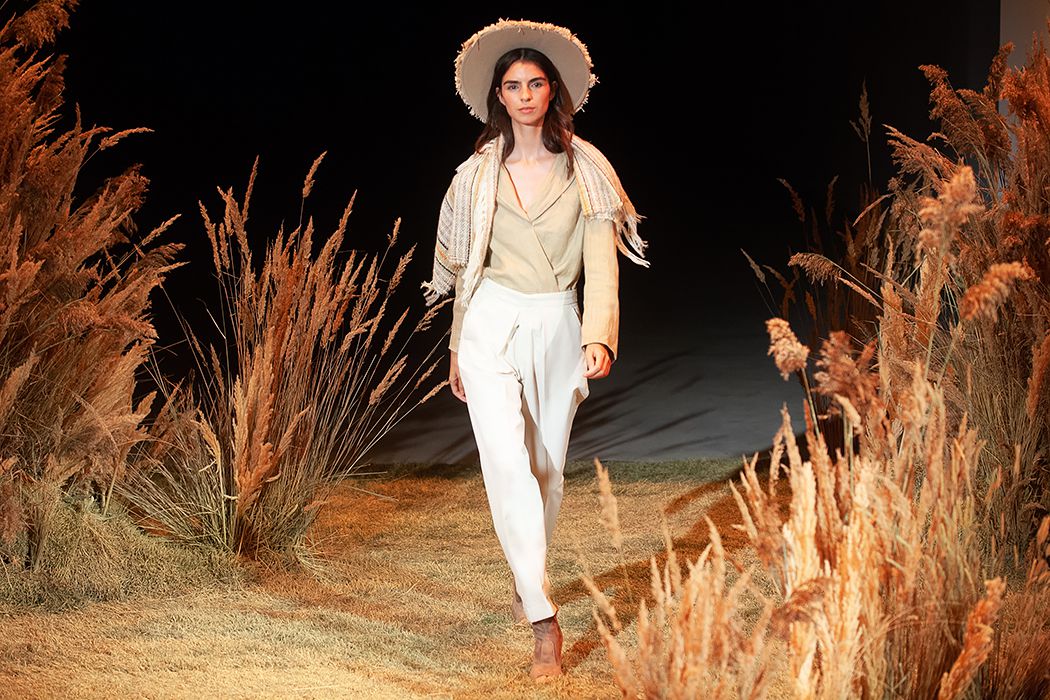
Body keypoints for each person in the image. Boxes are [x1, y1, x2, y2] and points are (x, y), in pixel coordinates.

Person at [420, 19, 649, 681]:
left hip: (556, 321)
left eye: (535, 84)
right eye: (513, 85)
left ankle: (526, 579)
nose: (524, 96)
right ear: (498, 95)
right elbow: (466, 269)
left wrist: (599, 334)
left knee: (546, 471)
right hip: (491, 321)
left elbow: (602, 262)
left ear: (553, 92)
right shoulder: (475, 176)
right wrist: (457, 346)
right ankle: (544, 620)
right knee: (505, 463)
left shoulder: (588, 169)